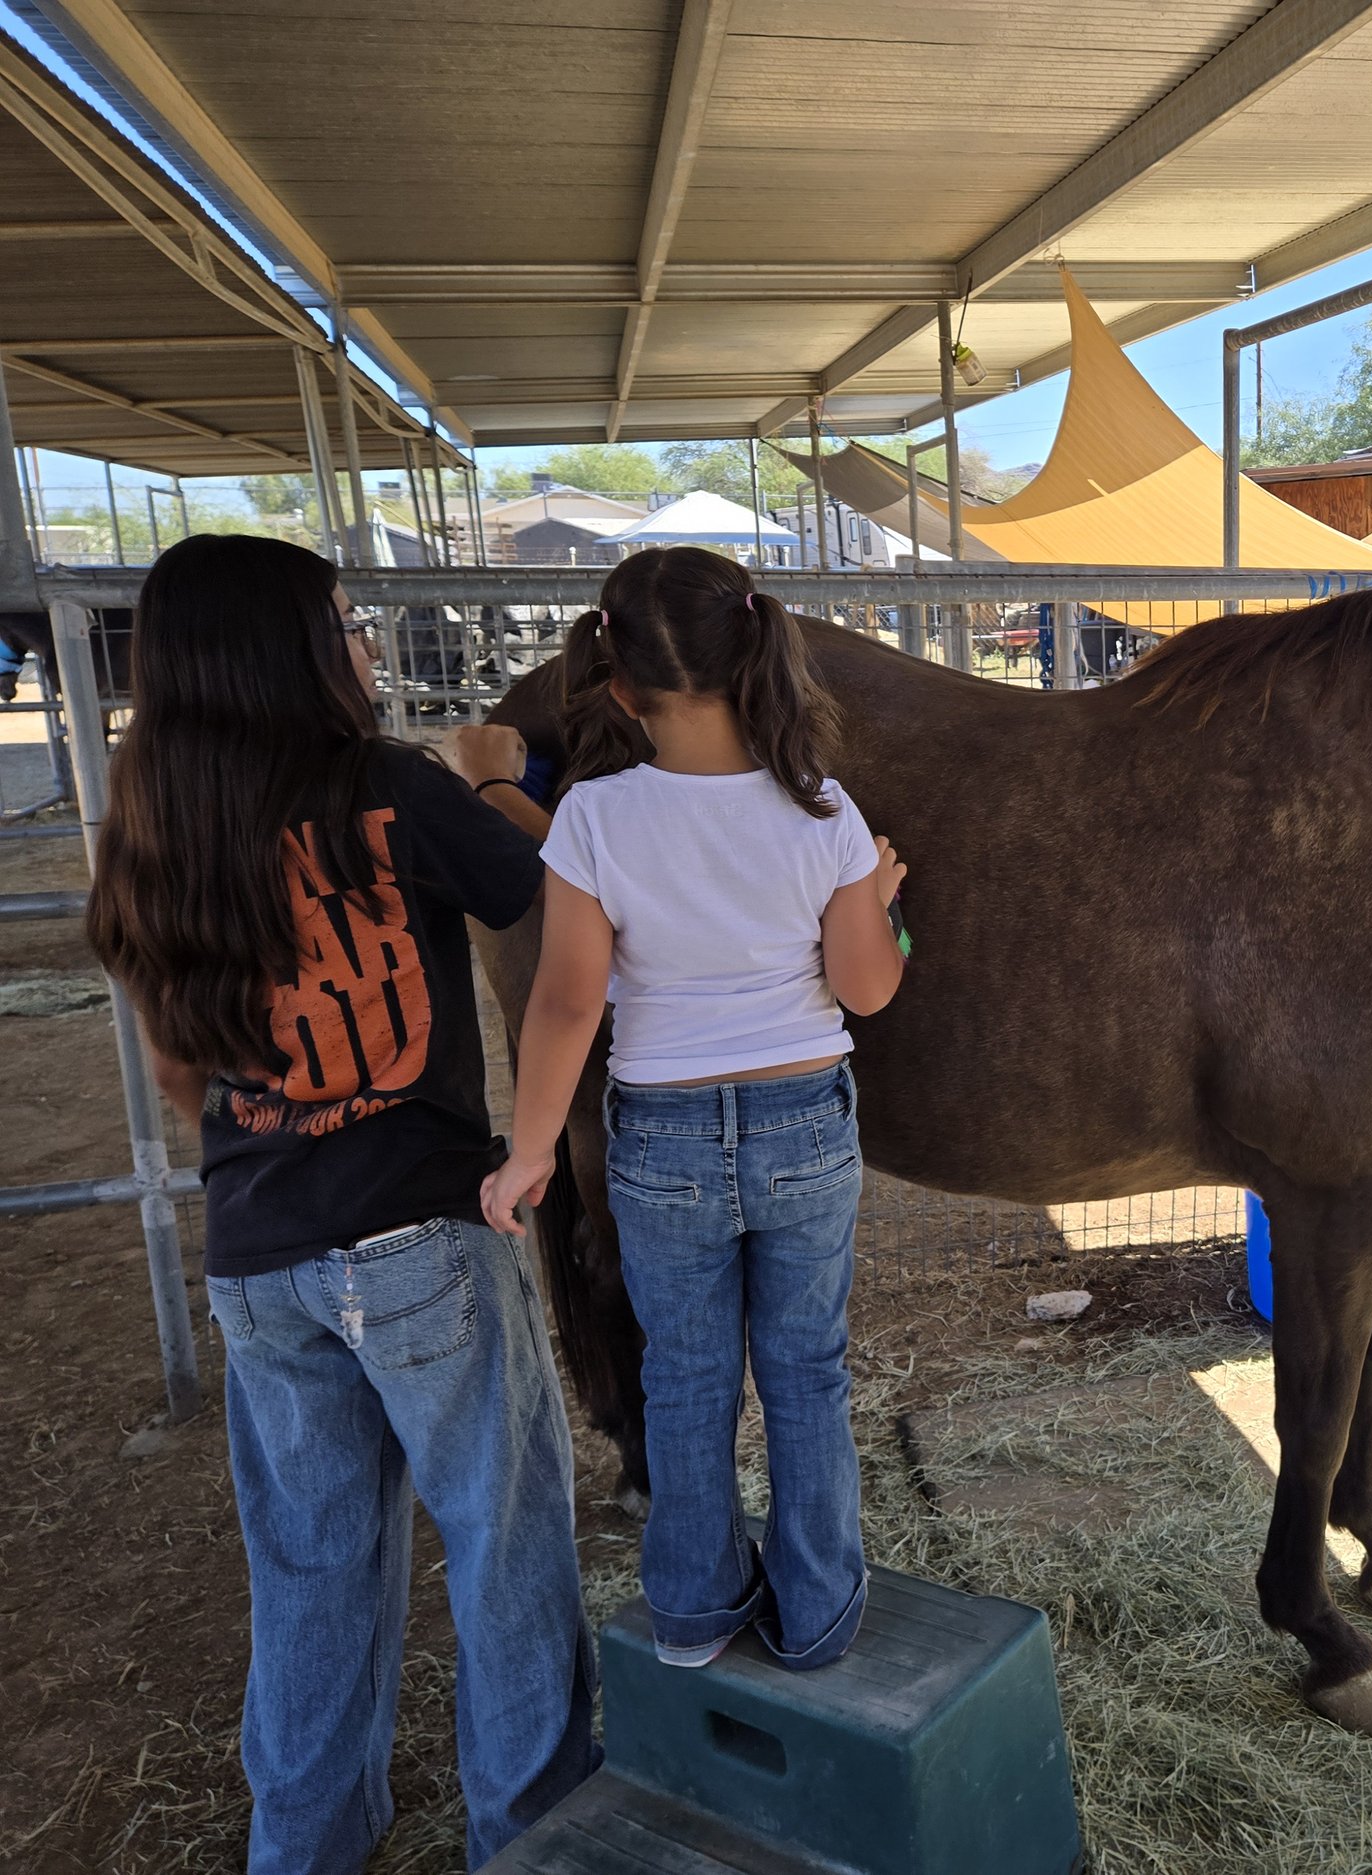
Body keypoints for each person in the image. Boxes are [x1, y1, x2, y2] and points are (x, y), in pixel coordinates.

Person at [83, 534, 596, 1871]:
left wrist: (278, 1137)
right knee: (505, 1548)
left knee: (310, 1568)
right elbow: (556, 903)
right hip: (422, 1233)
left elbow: (176, 1068)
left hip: (257, 1255)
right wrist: (493, 778)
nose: (367, 645)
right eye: (349, 621)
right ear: (293, 651)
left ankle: (302, 1846)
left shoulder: (149, 830)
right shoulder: (393, 787)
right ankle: (534, 1838)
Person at [481, 546, 906, 1673]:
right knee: (807, 1374)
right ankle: (816, 1615)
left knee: (684, 1375)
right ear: (754, 651)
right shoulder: (824, 809)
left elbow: (568, 1002)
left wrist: (531, 1151)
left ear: (617, 685)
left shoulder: (591, 817)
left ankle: (693, 1611)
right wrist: (878, 898)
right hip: (803, 1123)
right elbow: (866, 989)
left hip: (662, 1137)